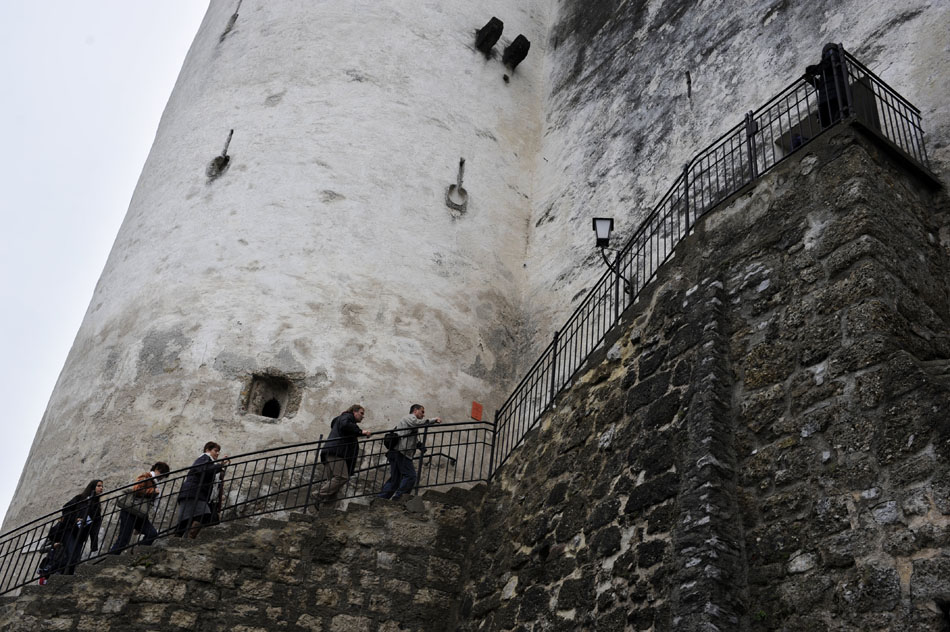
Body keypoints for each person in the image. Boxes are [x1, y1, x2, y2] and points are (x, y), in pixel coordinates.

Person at [378, 404, 441, 500]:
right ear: (415, 411)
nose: (423, 415)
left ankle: (381, 499)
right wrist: (434, 420)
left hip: (395, 452)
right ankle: (400, 497)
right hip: (401, 452)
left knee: (395, 480)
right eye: (422, 412)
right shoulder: (409, 417)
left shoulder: (408, 422)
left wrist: (419, 445)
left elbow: (409, 436)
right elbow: (417, 423)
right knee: (411, 476)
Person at [109, 461, 171, 554]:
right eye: (162, 474)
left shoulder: (154, 482)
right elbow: (137, 489)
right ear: (157, 469)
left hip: (140, 513)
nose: (162, 477)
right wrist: (153, 491)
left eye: (164, 476)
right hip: (130, 511)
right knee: (123, 540)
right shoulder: (146, 476)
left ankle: (137, 551)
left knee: (152, 534)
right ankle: (110, 560)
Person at [315, 405, 371, 504]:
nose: (363, 416)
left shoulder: (344, 421)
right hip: (336, 453)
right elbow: (345, 425)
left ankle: (326, 508)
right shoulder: (346, 417)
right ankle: (318, 495)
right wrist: (360, 431)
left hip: (332, 452)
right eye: (361, 413)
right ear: (354, 412)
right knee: (342, 477)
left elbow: (346, 429)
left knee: (333, 483)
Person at [175, 442, 229, 538]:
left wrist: (220, 467)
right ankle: (187, 538)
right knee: (203, 514)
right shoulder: (204, 457)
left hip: (193, 492)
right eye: (215, 451)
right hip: (193, 492)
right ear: (208, 450)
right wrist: (220, 466)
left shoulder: (209, 461)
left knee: (188, 518)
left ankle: (179, 537)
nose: (217, 454)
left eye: (218, 452)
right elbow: (202, 469)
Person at [59, 479, 103, 575]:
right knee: (71, 554)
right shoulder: (79, 498)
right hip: (70, 530)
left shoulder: (96, 506)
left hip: (82, 534)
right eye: (99, 486)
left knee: (75, 558)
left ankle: (66, 577)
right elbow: (66, 509)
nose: (101, 488)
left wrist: (94, 544)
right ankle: (59, 574)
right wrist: (75, 519)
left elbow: (95, 525)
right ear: (92, 487)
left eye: (101, 486)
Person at [805, 43, 847, 128]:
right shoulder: (826, 69)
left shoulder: (834, 57)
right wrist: (811, 80)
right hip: (828, 97)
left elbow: (826, 64)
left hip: (834, 95)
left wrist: (812, 70)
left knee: (833, 118)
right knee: (827, 121)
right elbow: (820, 86)